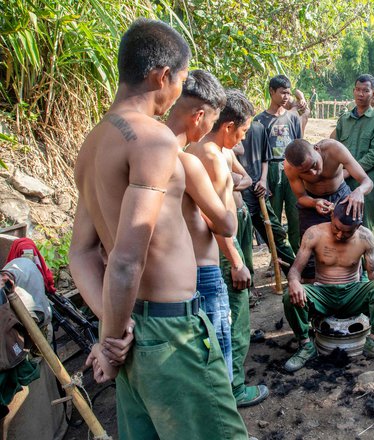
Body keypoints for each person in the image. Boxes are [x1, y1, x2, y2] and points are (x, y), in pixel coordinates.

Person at [68, 19, 248, 439]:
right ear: (162, 76)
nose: (177, 91)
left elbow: (82, 253)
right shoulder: (154, 140)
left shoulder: (93, 142)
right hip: (171, 333)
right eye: (181, 79)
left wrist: (111, 331)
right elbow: (129, 258)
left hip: (133, 327)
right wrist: (111, 341)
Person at [187, 90, 270, 407]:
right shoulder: (213, 158)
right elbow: (216, 220)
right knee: (234, 319)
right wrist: (237, 261)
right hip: (220, 252)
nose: (243, 140)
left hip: (201, 253)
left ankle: (218, 386)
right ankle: (234, 387)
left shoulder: (193, 148)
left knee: (213, 321)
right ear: (228, 126)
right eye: (244, 131)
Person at [165, 69, 236, 376]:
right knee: (217, 359)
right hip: (201, 272)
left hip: (165, 280)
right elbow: (226, 224)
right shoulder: (184, 161)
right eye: (211, 120)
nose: (210, 129)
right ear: (198, 116)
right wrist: (229, 188)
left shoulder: (130, 151)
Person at [282, 203, 374, 372]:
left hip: (352, 293)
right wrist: (294, 282)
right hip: (322, 293)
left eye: (347, 232)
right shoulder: (314, 233)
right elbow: (295, 271)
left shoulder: (365, 237)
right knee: (288, 295)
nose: (339, 234)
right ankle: (306, 345)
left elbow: (373, 273)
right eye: (336, 228)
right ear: (331, 218)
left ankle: (373, 342)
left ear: (358, 226)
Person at [283, 138, 373, 279]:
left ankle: (359, 279)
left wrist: (359, 192)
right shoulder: (290, 167)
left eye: (314, 165)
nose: (313, 173)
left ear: (317, 148)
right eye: (306, 172)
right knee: (310, 249)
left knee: (352, 240)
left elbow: (367, 181)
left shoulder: (334, 149)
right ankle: (312, 287)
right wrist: (314, 203)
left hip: (342, 195)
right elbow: (301, 197)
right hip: (312, 202)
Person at [333, 74, 374, 263]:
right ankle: (355, 256)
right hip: (348, 174)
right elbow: (335, 146)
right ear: (353, 91)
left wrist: (347, 171)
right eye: (358, 90)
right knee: (350, 214)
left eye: (366, 90)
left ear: (373, 93)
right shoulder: (344, 119)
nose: (361, 94)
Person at [238, 118, 297, 273]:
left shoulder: (258, 128)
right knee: (243, 241)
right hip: (237, 197)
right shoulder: (227, 133)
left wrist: (263, 180)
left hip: (258, 193)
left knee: (276, 233)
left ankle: (295, 274)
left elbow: (265, 158)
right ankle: (248, 286)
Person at [255, 75, 303, 252]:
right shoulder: (259, 121)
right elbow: (258, 153)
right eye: (282, 93)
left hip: (291, 170)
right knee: (272, 218)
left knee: (295, 215)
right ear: (271, 91)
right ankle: (275, 258)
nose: (286, 97)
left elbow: (299, 146)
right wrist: (262, 179)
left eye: (289, 94)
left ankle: (298, 256)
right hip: (271, 171)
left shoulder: (293, 118)